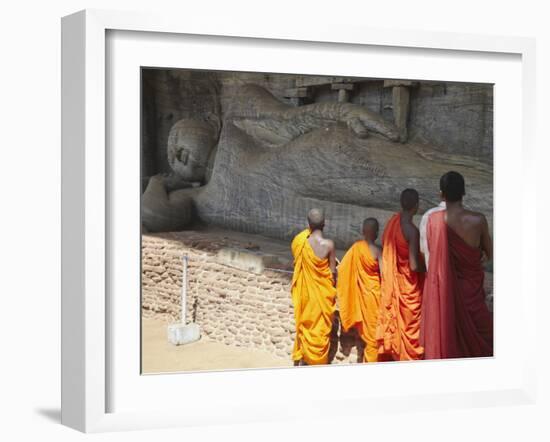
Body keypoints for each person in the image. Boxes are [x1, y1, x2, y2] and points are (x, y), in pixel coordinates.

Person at [421, 171, 493, 359]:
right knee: (482, 344)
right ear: (463, 192)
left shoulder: (433, 220)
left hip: (445, 296)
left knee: (447, 344)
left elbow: (432, 256)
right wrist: (474, 259)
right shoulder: (478, 220)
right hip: (472, 293)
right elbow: (490, 253)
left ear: (441, 194)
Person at [376, 189, 426, 361]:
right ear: (417, 206)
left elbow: (388, 248)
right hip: (408, 287)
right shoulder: (412, 230)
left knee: (397, 324)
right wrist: (426, 266)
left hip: (396, 281)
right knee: (410, 327)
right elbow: (413, 265)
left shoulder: (393, 222)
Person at [290, 208, 337, 365]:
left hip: (307, 296)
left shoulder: (301, 242)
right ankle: (318, 362)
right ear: (325, 223)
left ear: (308, 224)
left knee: (307, 326)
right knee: (320, 332)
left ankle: (304, 359)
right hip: (322, 297)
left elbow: (297, 262)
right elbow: (331, 274)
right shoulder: (329, 245)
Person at [337, 218, 383, 363]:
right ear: (377, 233)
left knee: (370, 335)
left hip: (363, 295)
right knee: (374, 337)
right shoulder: (378, 251)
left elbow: (343, 269)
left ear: (363, 232)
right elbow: (386, 275)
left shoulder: (356, 247)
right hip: (374, 296)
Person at [419, 201, 446, 270]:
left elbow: (422, 249)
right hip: (457, 275)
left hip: (432, 271)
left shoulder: (428, 214)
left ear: (441, 193)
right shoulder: (466, 218)